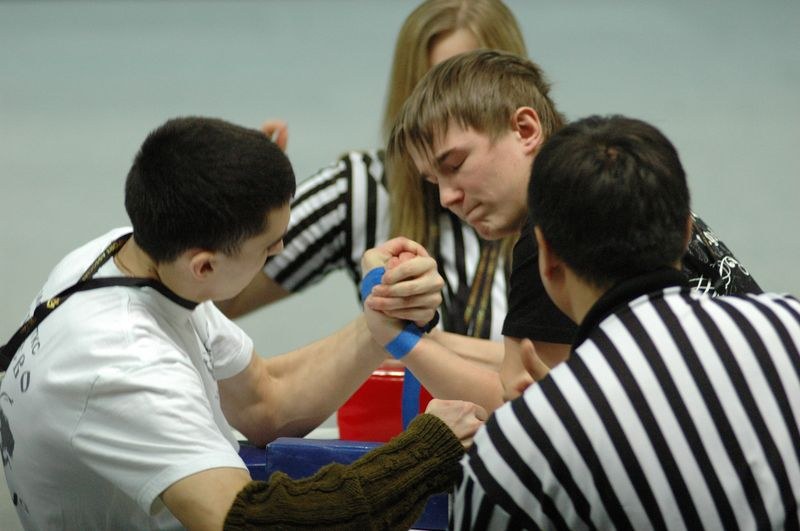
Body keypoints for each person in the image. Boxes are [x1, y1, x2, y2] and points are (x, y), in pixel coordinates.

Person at [0, 116, 487, 530]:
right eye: (268, 247)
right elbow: (255, 522)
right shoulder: (127, 364)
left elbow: (266, 402)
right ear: (204, 265)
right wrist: (426, 451)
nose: (280, 250)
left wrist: (381, 320)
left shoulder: (130, 252)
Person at [452, 114, 800, 529]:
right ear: (687, 231)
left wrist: (554, 414)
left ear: (546, 257)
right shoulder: (789, 326)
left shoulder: (521, 445)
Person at [387, 49, 761, 404]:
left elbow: (521, 407)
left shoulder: (554, 226)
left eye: (454, 165)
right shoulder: (620, 188)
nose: (446, 197)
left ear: (525, 129)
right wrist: (430, 337)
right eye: (434, 182)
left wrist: (396, 339)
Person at [220, 0, 528, 371]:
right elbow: (207, 291)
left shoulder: (571, 188)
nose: (446, 103)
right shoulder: (361, 188)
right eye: (432, 86)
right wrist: (241, 208)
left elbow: (573, 362)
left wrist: (396, 336)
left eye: (466, 84)